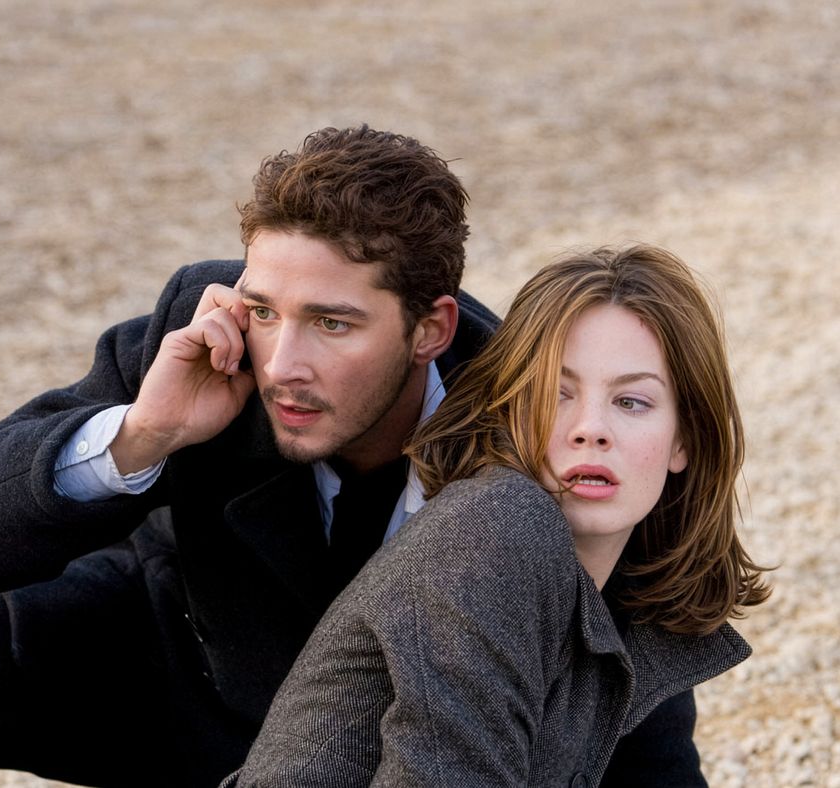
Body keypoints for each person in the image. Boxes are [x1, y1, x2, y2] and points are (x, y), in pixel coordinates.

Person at [0, 126, 701, 787]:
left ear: (430, 328)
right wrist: (146, 432)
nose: (283, 364)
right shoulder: (204, 335)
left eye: (333, 324)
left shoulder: (535, 412)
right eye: (267, 310)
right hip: (182, 666)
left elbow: (623, 643)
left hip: (379, 749)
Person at [225, 245, 771, 787]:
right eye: (556, 394)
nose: (591, 429)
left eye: (631, 402)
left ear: (684, 441)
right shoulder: (491, 531)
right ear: (512, 413)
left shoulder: (629, 594)